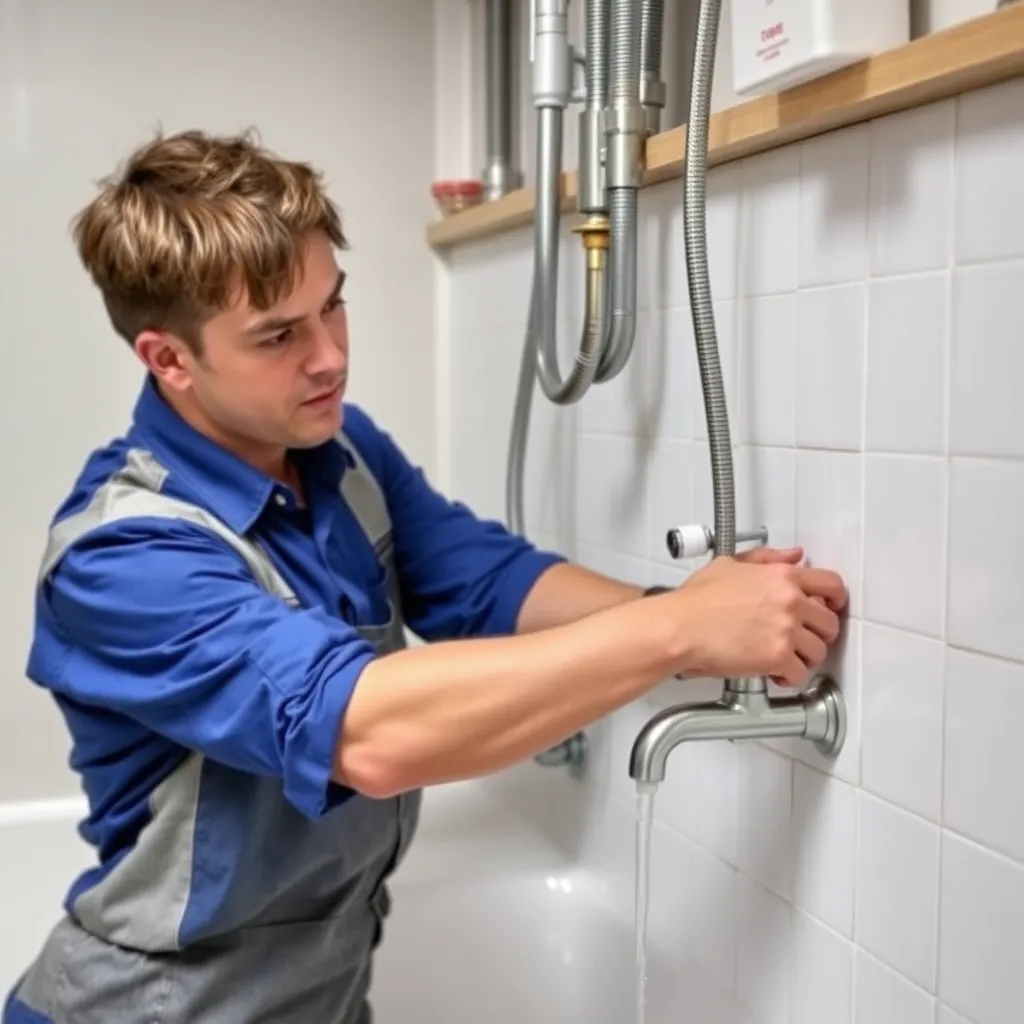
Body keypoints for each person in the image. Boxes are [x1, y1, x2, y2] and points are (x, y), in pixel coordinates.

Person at [3, 128, 847, 1024]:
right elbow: (368, 734)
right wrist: (677, 631)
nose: (328, 355)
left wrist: (698, 620)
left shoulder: (339, 448)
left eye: (333, 305)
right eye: (279, 335)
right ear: (168, 360)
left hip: (320, 999)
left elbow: (487, 585)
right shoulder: (123, 559)